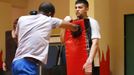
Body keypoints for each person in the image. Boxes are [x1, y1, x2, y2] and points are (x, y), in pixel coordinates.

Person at [11, 2, 79, 75]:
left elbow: (14, 36)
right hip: (27, 64)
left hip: (16, 62)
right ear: (50, 14)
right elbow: (74, 27)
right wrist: (69, 21)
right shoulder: (49, 20)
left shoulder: (22, 19)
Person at [63, 0, 101, 75]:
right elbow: (62, 40)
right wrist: (64, 24)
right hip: (76, 60)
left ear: (86, 9)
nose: (77, 9)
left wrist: (89, 61)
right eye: (76, 7)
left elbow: (95, 43)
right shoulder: (73, 23)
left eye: (80, 7)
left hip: (89, 60)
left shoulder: (92, 22)